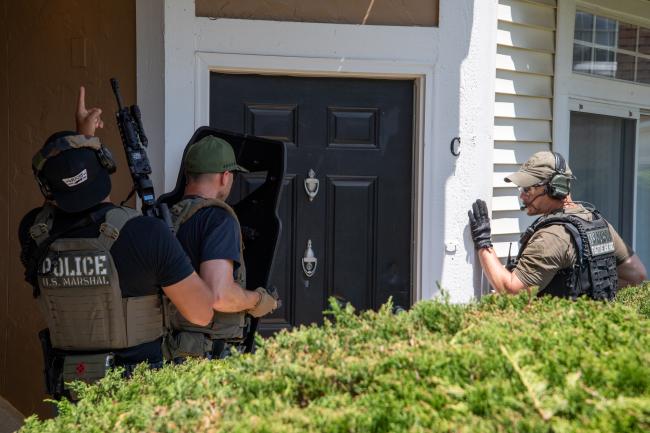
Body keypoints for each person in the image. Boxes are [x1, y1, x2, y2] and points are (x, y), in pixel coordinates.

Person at [19, 87, 215, 398]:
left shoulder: (33, 230)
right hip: (137, 396)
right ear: (106, 168)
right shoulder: (146, 233)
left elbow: (65, 202)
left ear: (47, 189)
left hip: (71, 391)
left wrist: (79, 146)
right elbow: (202, 312)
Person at [468, 150, 647, 299]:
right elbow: (636, 274)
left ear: (555, 188)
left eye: (527, 189)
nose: (522, 196)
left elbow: (512, 291)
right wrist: (588, 298)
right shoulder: (597, 223)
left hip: (557, 335)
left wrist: (483, 243)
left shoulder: (553, 237)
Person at [165, 135, 278, 360]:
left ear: (188, 175)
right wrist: (258, 301)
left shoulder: (168, 217)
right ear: (225, 177)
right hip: (207, 357)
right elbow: (219, 295)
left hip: (172, 349)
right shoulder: (218, 220)